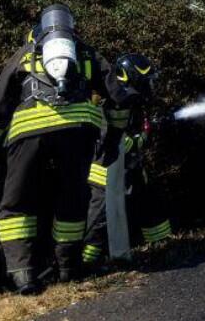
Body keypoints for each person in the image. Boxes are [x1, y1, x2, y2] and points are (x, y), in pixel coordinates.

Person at [0, 4, 125, 294]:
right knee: (72, 198)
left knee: (16, 203)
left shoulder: (25, 54)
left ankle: (23, 275)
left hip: (28, 132)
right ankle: (68, 268)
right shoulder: (86, 53)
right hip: (79, 131)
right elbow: (117, 97)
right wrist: (113, 137)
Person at [82, 53, 172, 267]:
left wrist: (142, 135)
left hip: (130, 165)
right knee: (100, 217)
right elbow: (99, 125)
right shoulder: (106, 96)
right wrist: (127, 141)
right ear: (132, 77)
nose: (151, 85)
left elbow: (139, 126)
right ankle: (87, 262)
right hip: (105, 169)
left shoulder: (135, 100)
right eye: (147, 80)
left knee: (148, 201)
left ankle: (162, 245)